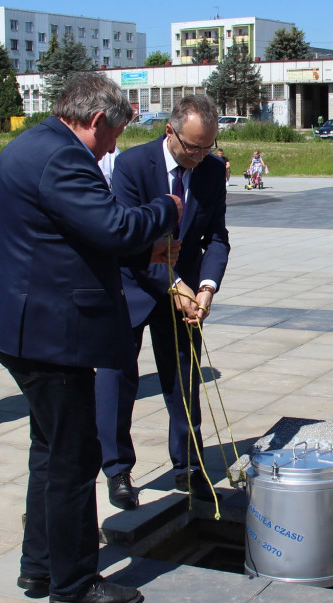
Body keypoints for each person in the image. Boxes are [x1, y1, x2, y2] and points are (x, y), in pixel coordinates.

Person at [0, 72, 182, 603]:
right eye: (112, 136)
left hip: (23, 324)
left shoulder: (32, 146)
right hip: (47, 334)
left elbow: (66, 235)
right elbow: (111, 226)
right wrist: (165, 212)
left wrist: (142, 254)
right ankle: (73, 582)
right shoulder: (63, 158)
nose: (113, 147)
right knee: (74, 456)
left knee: (49, 449)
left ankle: (40, 565)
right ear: (94, 121)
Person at [95, 94, 230, 510]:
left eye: (208, 147)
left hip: (186, 297)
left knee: (184, 383)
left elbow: (217, 238)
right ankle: (117, 470)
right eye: (193, 147)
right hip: (133, 288)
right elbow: (127, 242)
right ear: (170, 131)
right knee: (118, 383)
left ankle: (189, 466)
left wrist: (205, 286)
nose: (200, 156)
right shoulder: (133, 166)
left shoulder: (210, 172)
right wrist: (173, 285)